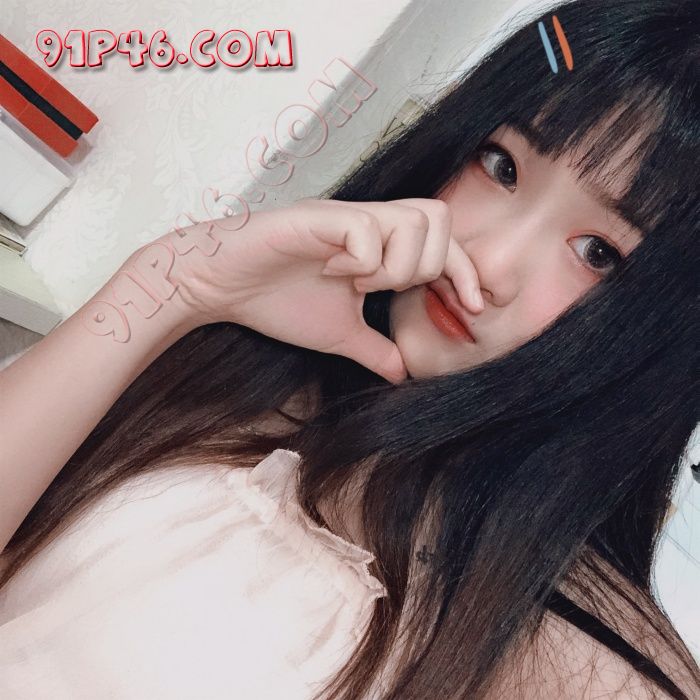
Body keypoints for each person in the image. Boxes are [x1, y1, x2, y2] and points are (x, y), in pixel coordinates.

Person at [0, 0, 698, 697]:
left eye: (598, 252)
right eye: (502, 167)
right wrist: (176, 284)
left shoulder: (581, 659)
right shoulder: (245, 366)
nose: (488, 261)